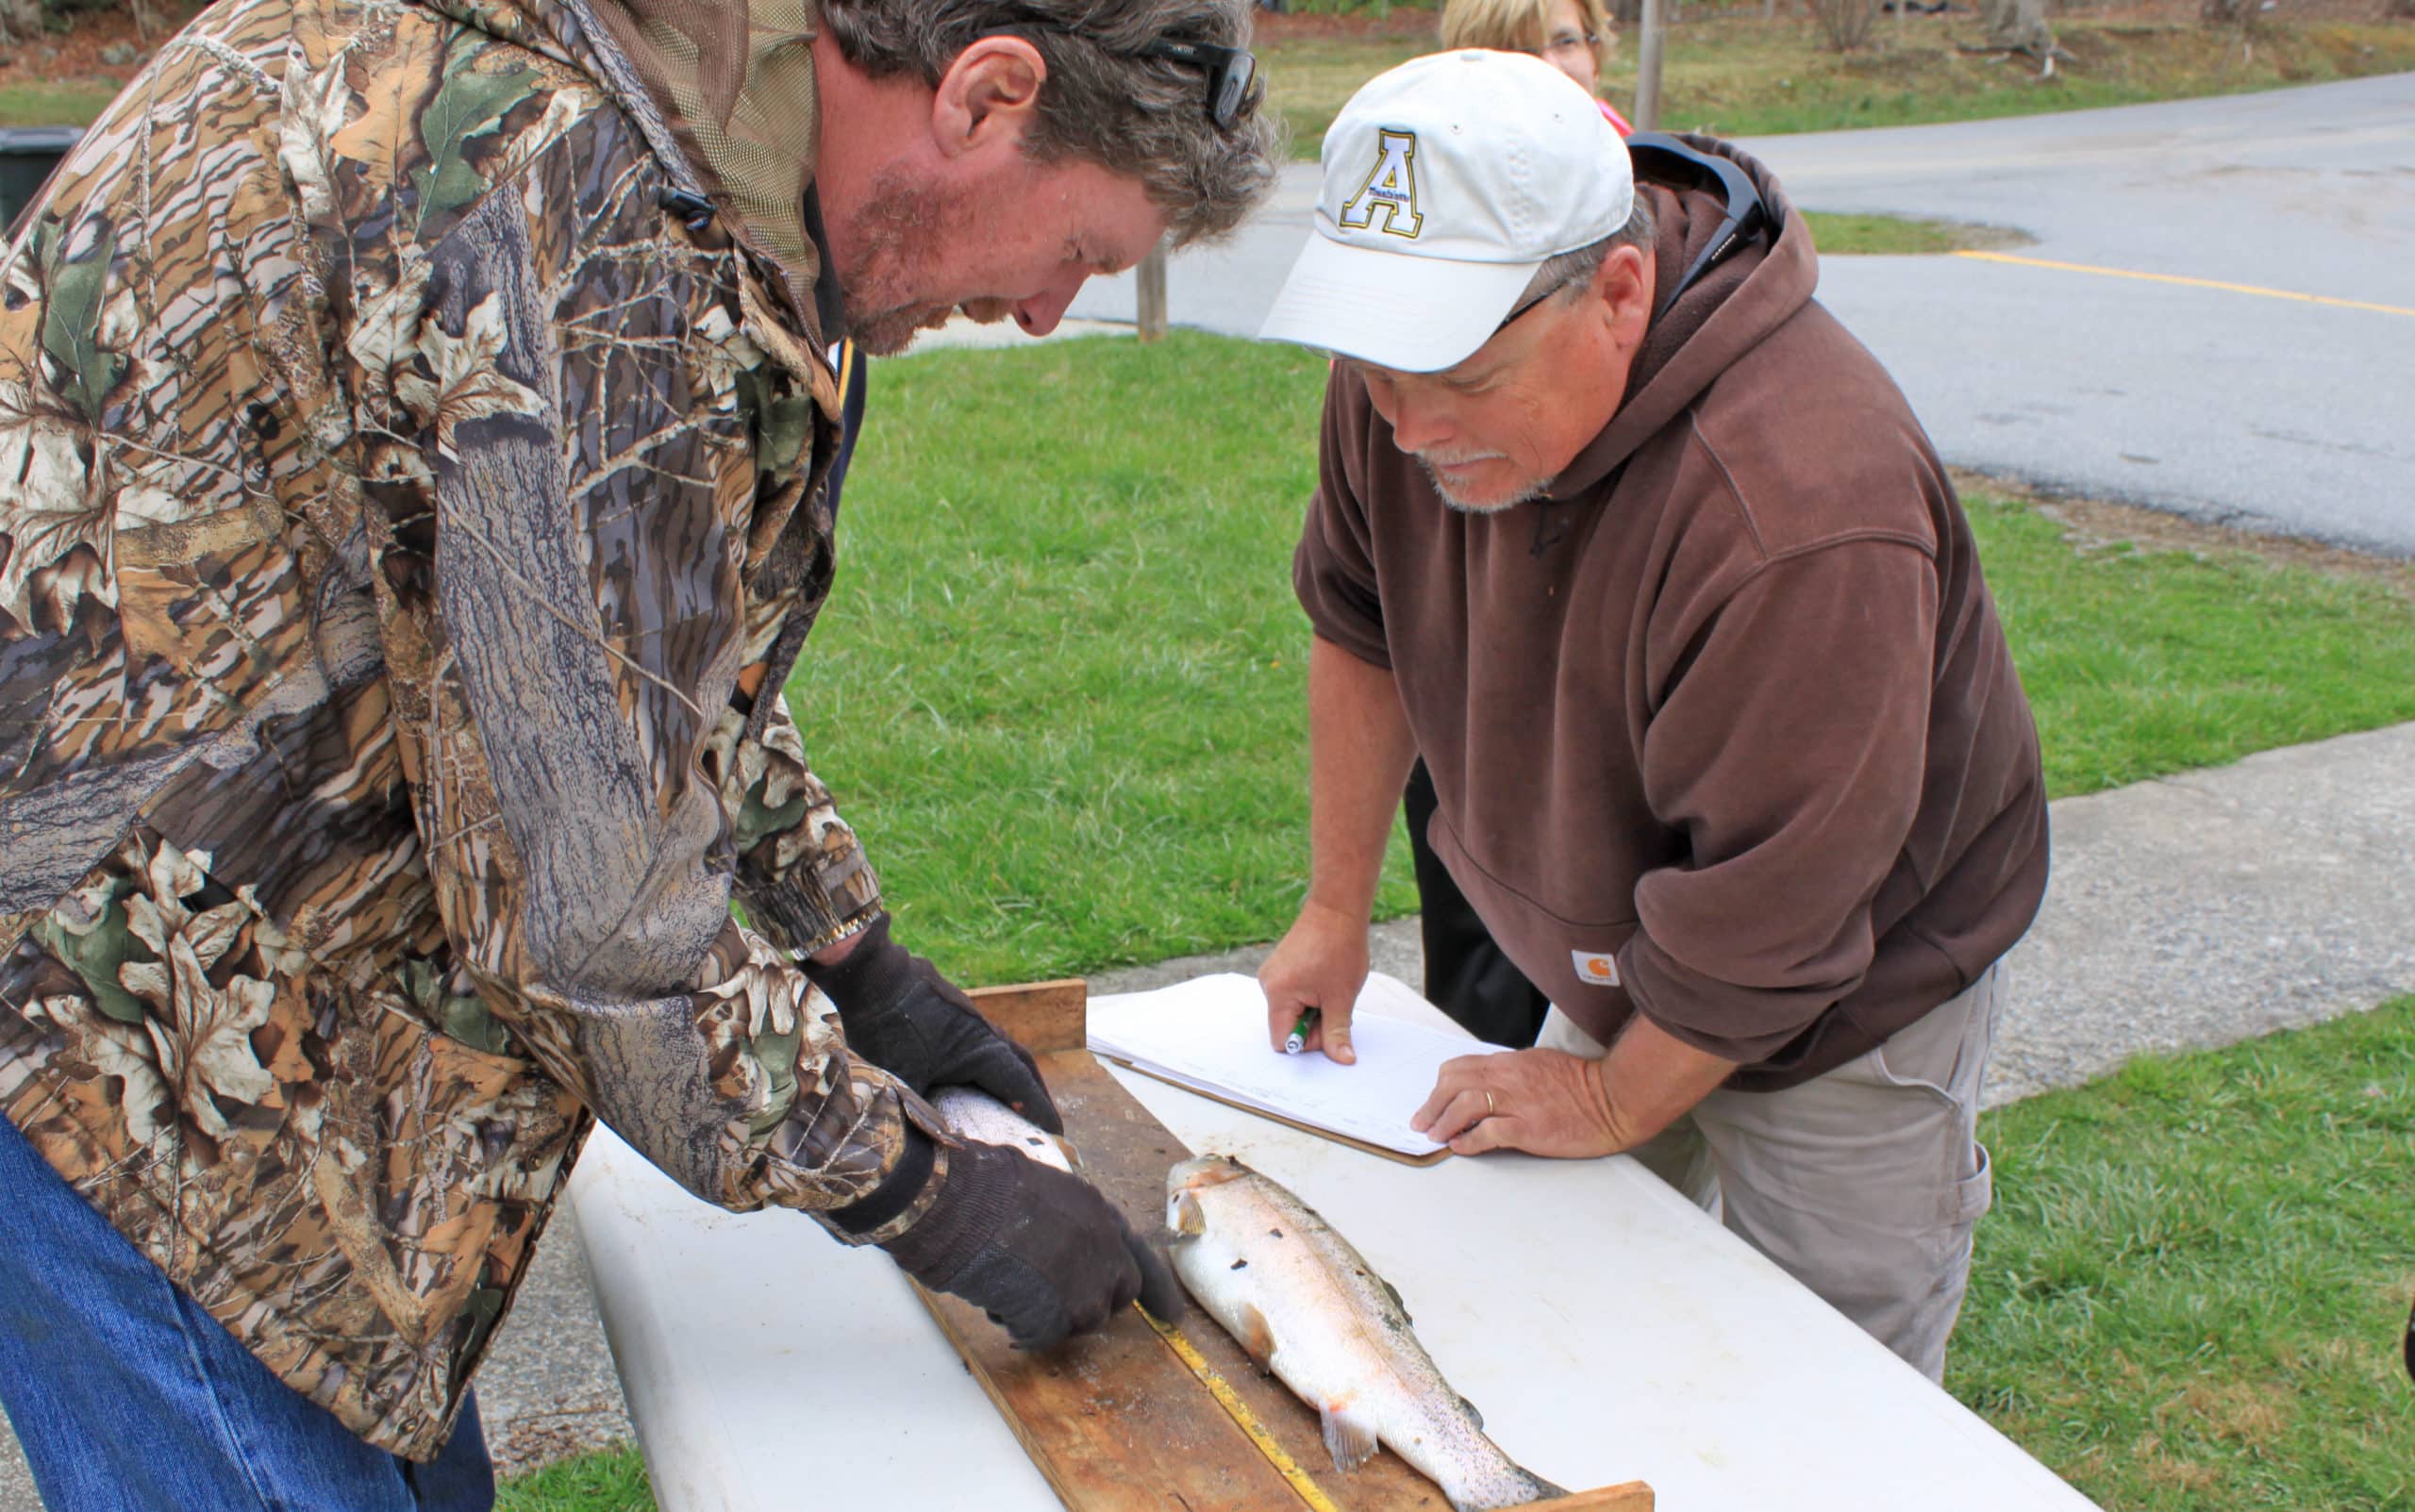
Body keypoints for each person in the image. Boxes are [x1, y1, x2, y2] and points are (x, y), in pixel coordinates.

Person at [0, 0, 1277, 1503]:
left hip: (257, 973)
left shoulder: (680, 140)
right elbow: (599, 921)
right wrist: (927, 1190)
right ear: (986, 95)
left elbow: (635, 651)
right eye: (1081, 255)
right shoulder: (578, 195)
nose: (1052, 312)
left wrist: (855, 959)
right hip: (115, 1032)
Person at [1254, 51, 2047, 1383]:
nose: (1406, 424)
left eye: (1455, 371)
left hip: (1848, 991)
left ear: (1618, 292)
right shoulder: (1403, 384)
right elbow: (1362, 620)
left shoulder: (1802, 501)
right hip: (1627, 940)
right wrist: (1336, 908)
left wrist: (1614, 1095)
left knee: (1830, 1391)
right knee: (1568, 1316)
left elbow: (1781, 913)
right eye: (1374, 363)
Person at [1441, 0, 1634, 134]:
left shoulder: (1640, 166)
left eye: (1566, 42)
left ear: (1594, 53)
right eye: (1522, 52)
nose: (1552, 68)